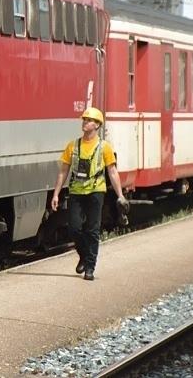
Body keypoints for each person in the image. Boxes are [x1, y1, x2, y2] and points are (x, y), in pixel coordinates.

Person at [50, 107, 130, 281]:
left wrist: (120, 195)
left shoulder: (104, 147)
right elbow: (63, 171)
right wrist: (56, 194)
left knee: (92, 230)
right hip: (76, 192)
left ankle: (90, 268)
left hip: (96, 191)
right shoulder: (73, 146)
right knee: (74, 228)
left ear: (97, 125)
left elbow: (112, 171)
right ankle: (85, 256)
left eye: (88, 120)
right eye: (84, 120)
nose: (84, 122)